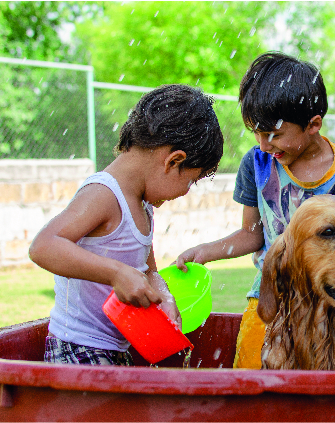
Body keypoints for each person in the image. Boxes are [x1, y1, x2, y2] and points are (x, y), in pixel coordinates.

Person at [175, 52, 335, 369]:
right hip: (268, 300)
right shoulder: (257, 164)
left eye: (275, 134)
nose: (264, 144)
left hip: (332, 307)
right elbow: (252, 235)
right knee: (252, 385)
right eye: (257, 132)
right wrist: (205, 251)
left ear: (313, 124)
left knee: (323, 397)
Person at [29, 84, 224, 365]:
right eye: (191, 181)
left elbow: (150, 270)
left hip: (115, 348)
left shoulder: (143, 206)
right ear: (173, 160)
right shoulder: (104, 194)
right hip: (78, 348)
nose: (186, 191)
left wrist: (165, 297)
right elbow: (44, 246)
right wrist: (116, 273)